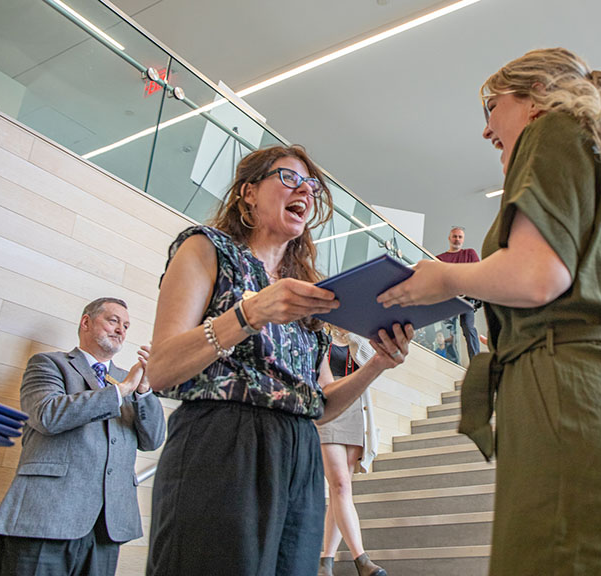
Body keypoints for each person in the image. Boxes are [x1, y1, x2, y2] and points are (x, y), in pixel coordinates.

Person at [378, 48, 601, 575]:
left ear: (535, 96)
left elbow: (535, 275)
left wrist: (444, 278)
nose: (486, 131)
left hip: (573, 417)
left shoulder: (553, 127)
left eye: (491, 107)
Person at [145, 145, 414, 576]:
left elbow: (321, 404)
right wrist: (250, 314)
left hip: (300, 454)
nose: (305, 191)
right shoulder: (205, 248)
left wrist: (377, 364)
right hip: (222, 442)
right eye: (289, 178)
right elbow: (160, 367)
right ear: (249, 192)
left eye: (311, 186)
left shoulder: (307, 289)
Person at [0, 297, 166, 576]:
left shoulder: (128, 381)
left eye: (126, 326)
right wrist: (122, 390)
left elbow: (152, 440)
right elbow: (47, 415)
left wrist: (143, 390)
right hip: (45, 519)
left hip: (106, 529)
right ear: (86, 322)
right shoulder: (49, 364)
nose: (121, 330)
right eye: (113, 320)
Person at [317, 326, 384, 576]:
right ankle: (362, 559)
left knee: (341, 490)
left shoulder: (358, 338)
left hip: (355, 410)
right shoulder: (320, 335)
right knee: (341, 486)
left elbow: (370, 364)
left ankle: (326, 562)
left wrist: (352, 335)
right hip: (327, 408)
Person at [436, 226, 482, 359]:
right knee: (446, 326)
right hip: (448, 299)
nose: (457, 239)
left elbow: (478, 273)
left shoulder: (469, 253)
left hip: (466, 298)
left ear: (463, 239)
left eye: (460, 237)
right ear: (449, 238)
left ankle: (475, 361)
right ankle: (448, 356)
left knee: (468, 328)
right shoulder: (439, 258)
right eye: (455, 236)